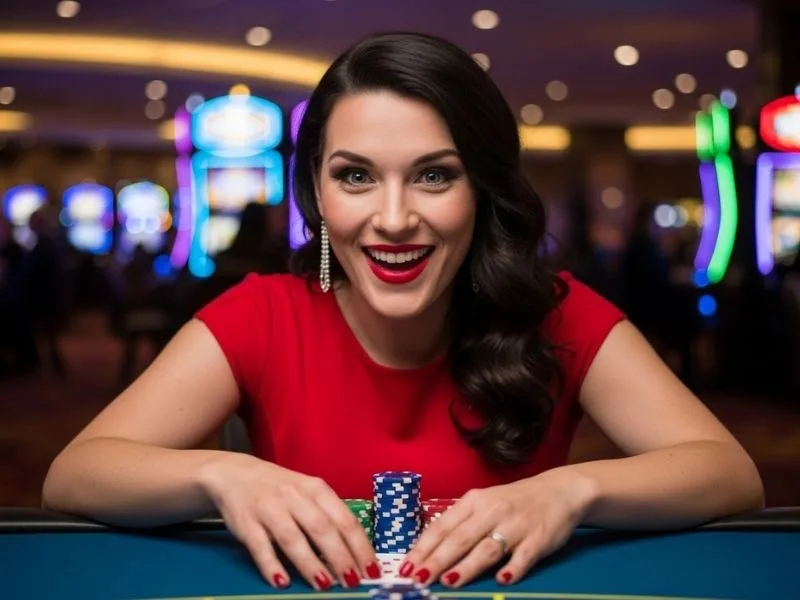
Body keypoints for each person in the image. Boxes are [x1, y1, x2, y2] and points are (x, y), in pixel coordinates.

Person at [42, 32, 764, 591]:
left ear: (481, 189)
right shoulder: (264, 314)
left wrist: (572, 490)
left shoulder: (556, 313)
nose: (393, 218)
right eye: (355, 176)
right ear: (317, 197)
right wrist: (222, 475)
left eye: (434, 176)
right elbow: (78, 474)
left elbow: (728, 473)